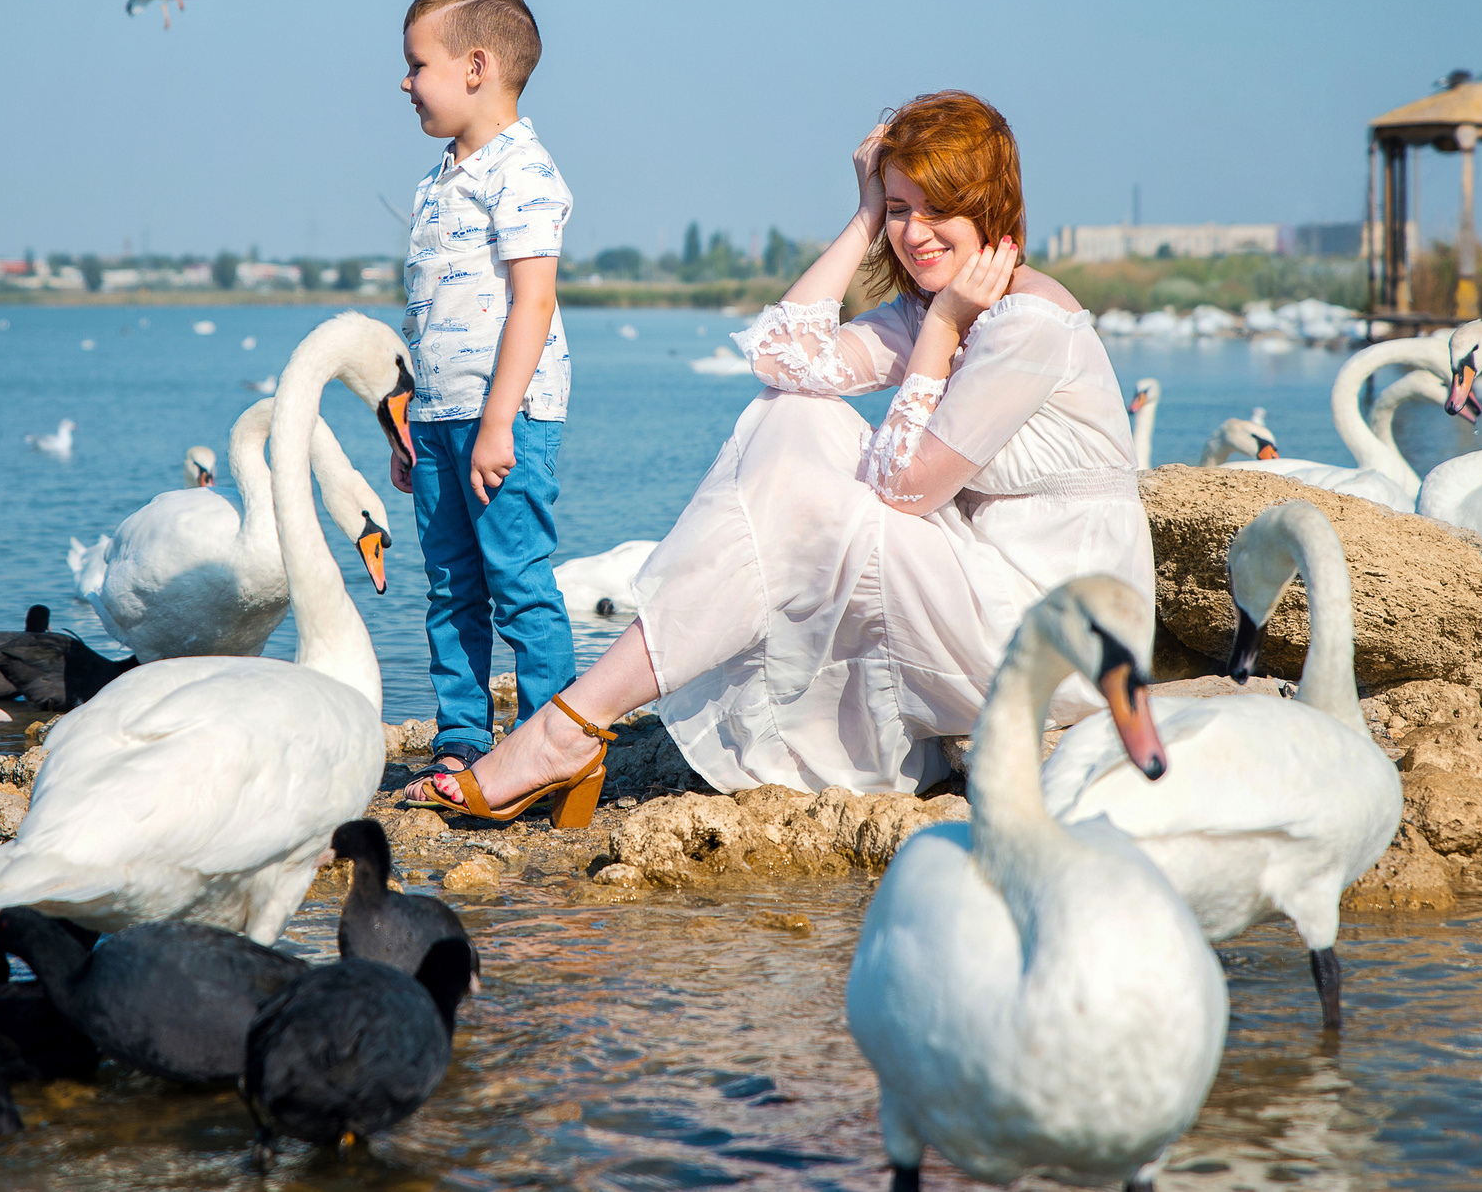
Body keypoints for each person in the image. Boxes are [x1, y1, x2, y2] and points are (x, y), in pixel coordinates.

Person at [414, 89, 1152, 818]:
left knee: (800, 478)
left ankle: (568, 727)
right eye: (901, 208)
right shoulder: (936, 307)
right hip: (981, 593)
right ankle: (572, 724)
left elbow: (907, 488)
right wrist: (865, 217)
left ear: (991, 207)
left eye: (939, 208)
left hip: (1059, 638)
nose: (916, 232)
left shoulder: (1023, 324)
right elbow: (778, 355)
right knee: (794, 414)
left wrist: (940, 332)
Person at [392, 0, 576, 789]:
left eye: (416, 65)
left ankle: (550, 748)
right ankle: (463, 739)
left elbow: (533, 300)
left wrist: (499, 421)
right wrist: (409, 417)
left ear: (475, 68)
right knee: (450, 588)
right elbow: (430, 312)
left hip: (506, 414)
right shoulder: (438, 180)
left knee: (519, 583)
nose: (404, 82)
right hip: (439, 416)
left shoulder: (523, 171)